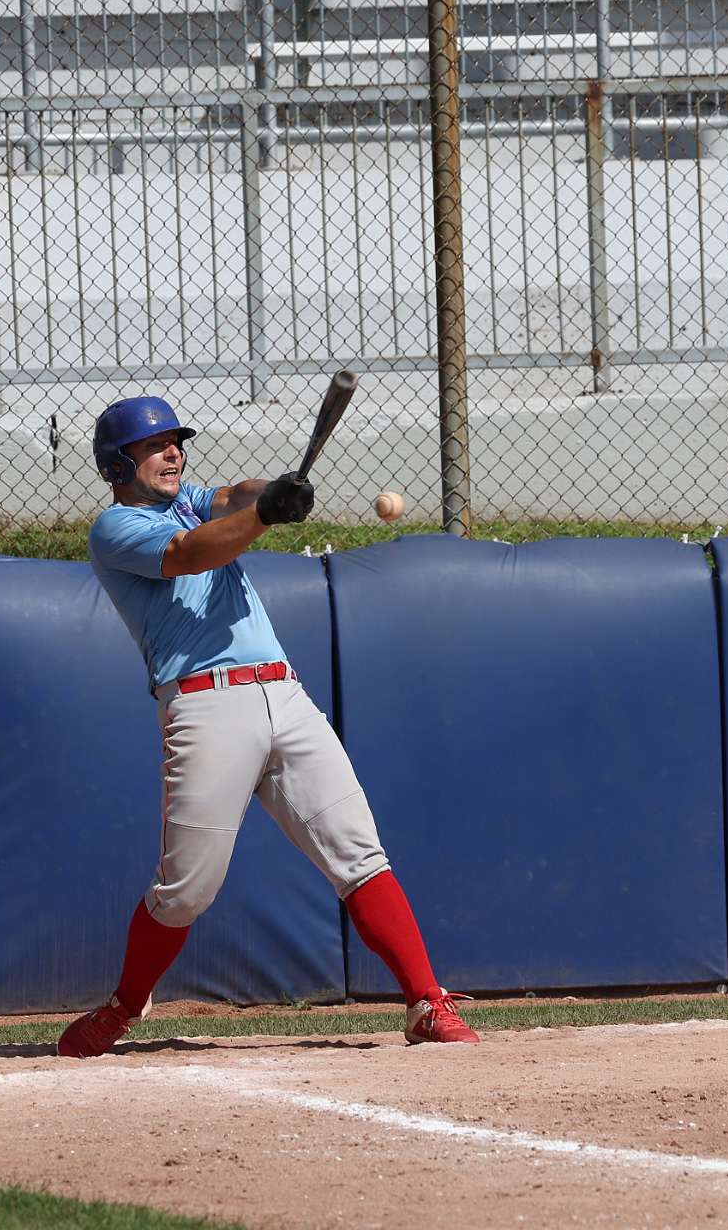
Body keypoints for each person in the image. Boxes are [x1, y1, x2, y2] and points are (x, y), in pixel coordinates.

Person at [57, 396, 480, 1058]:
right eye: (155, 445)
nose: (173, 452)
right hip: (206, 707)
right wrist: (262, 517)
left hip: (284, 694)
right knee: (185, 891)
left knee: (359, 854)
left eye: (175, 442)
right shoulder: (116, 528)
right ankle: (124, 1006)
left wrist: (276, 491)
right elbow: (190, 554)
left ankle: (426, 1002)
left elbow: (233, 495)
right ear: (118, 463)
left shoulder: (188, 499)